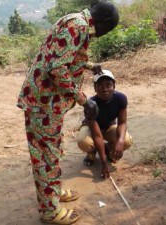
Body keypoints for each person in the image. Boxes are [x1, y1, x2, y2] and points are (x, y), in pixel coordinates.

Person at [16, 2, 119, 224]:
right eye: (107, 31)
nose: (101, 35)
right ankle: (49, 211)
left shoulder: (74, 20)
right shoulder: (79, 27)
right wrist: (83, 100)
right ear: (104, 24)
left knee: (52, 152)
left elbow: (61, 55)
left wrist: (90, 66)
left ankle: (53, 193)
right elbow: (57, 68)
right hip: (43, 104)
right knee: (45, 156)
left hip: (46, 103)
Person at [76, 70, 133, 179]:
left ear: (114, 86)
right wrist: (104, 164)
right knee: (85, 142)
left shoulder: (121, 99)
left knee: (126, 140)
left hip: (108, 127)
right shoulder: (90, 105)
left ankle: (109, 149)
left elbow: (122, 123)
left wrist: (120, 142)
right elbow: (97, 135)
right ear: (95, 88)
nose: (105, 89)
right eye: (100, 86)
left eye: (108, 85)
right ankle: (91, 154)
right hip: (91, 129)